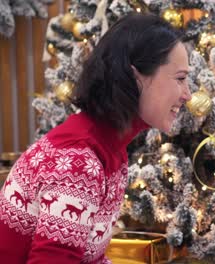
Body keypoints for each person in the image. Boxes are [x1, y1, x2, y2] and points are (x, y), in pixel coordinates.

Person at [0, 13, 191, 263]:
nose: (187, 94)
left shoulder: (109, 148)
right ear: (136, 78)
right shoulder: (79, 159)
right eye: (180, 79)